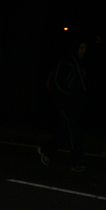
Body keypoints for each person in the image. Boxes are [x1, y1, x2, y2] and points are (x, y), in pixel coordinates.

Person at [37, 38, 88, 171]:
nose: (83, 51)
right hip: (65, 104)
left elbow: (81, 86)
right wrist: (67, 96)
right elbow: (56, 81)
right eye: (81, 48)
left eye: (85, 48)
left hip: (75, 104)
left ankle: (46, 150)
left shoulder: (80, 64)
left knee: (66, 131)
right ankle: (78, 162)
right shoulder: (67, 62)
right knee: (73, 131)